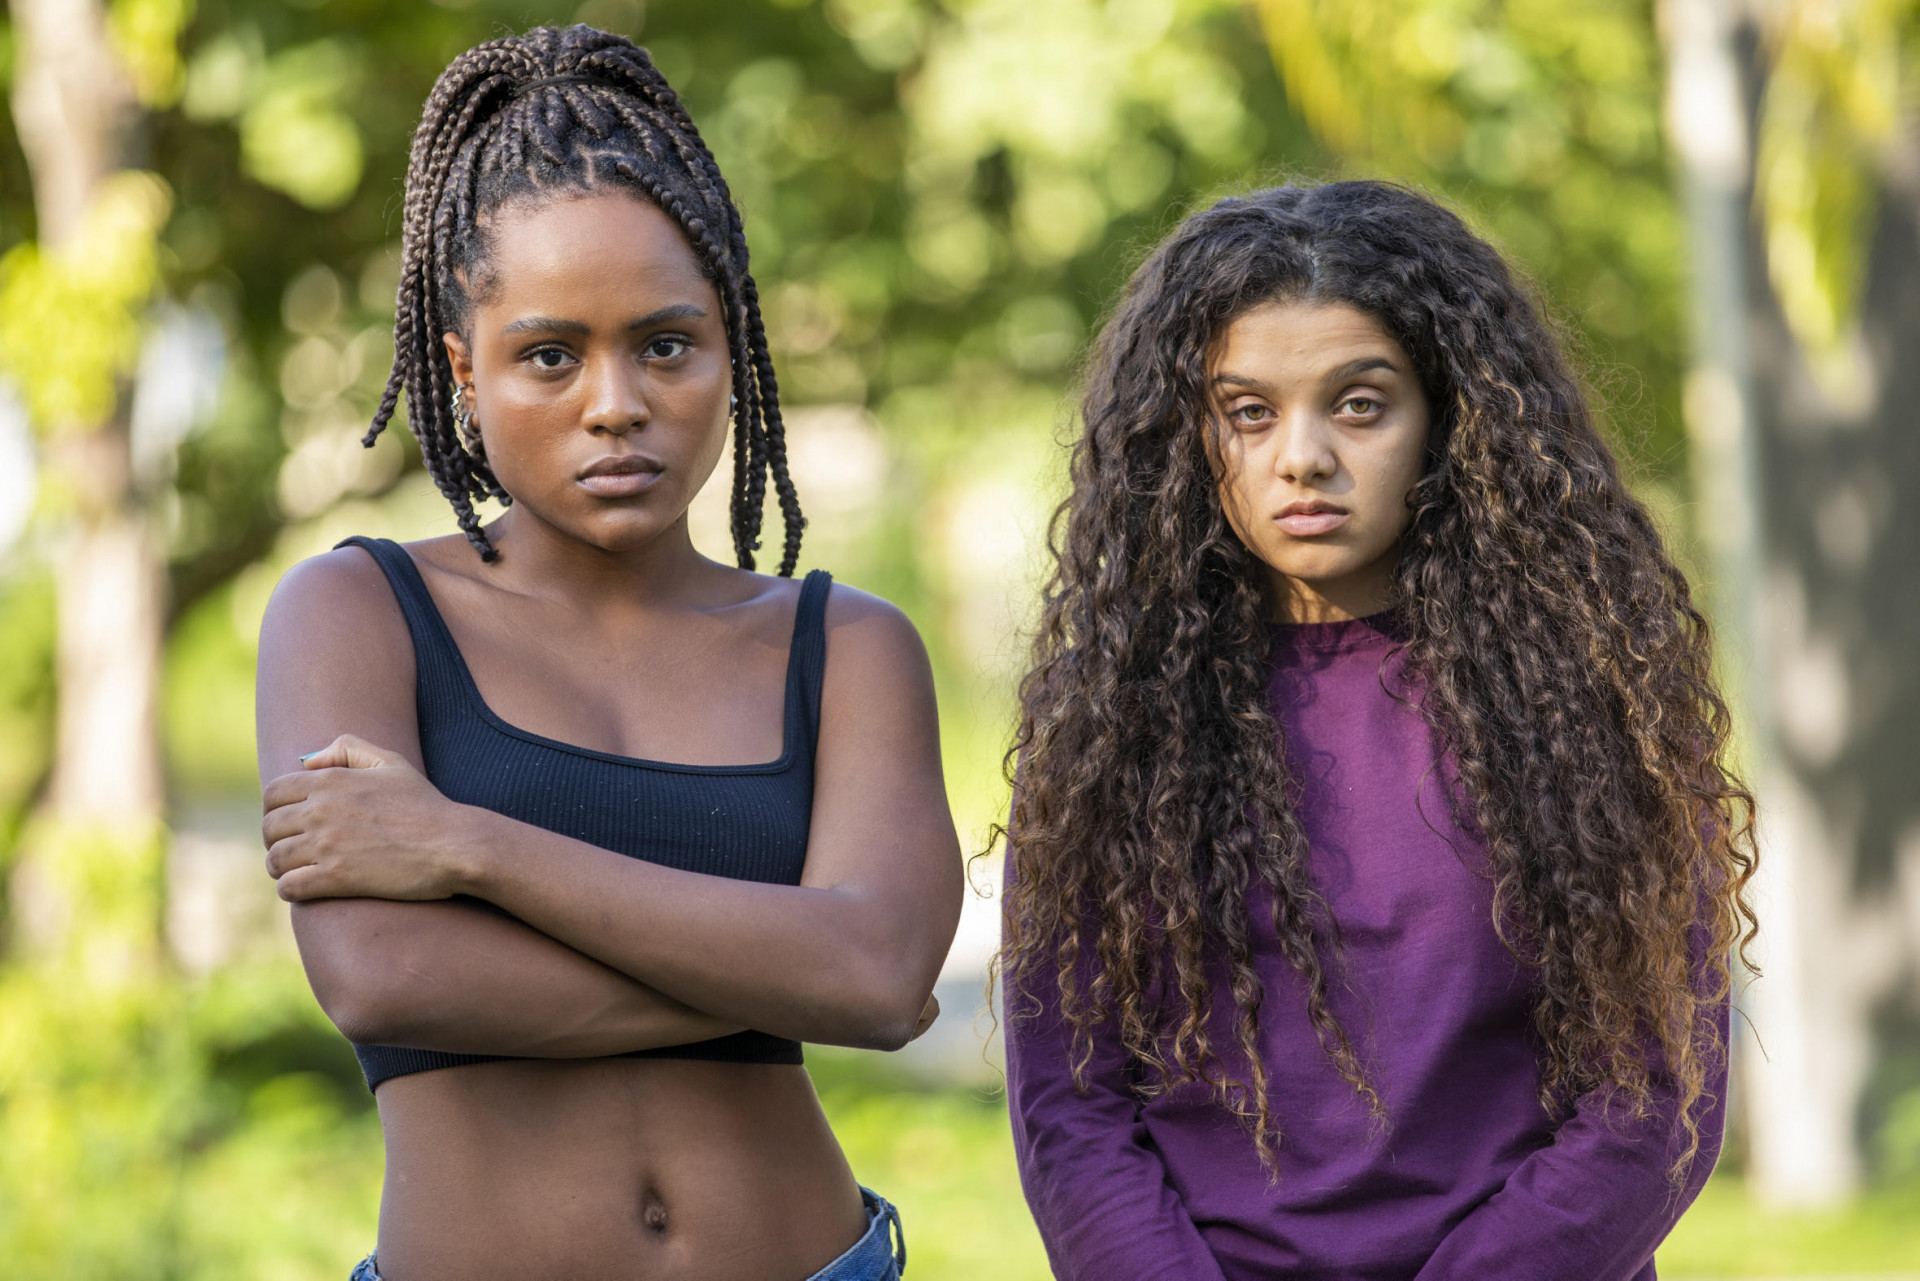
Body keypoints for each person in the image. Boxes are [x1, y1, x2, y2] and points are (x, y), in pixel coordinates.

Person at [254, 25, 961, 1281]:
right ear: (464, 375)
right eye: (548, 355)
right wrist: (799, 970)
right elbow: (382, 974)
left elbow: (882, 970)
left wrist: (473, 847)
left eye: (666, 343)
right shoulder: (357, 614)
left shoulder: (845, 646)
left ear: (730, 353)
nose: (615, 401)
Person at [997, 181, 1758, 1281]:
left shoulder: (1601, 707)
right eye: (1247, 412)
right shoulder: (1111, 723)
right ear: (1187, 434)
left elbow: (1649, 1106)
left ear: (1449, 419)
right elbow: (1072, 1110)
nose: (1300, 456)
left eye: (1359, 405)